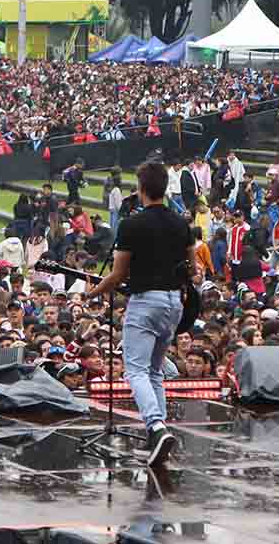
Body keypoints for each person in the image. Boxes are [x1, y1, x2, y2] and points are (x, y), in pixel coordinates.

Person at [86, 161, 190, 467]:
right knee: (155, 371)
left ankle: (156, 427)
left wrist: (91, 293)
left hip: (145, 302)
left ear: (142, 189)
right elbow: (191, 269)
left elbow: (117, 276)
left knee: (136, 371)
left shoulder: (131, 225)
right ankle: (159, 431)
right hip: (174, 302)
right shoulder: (181, 223)